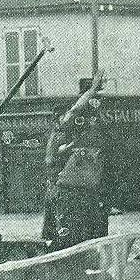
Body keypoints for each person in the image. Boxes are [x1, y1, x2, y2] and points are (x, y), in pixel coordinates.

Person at [42, 70, 104, 245]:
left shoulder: (65, 133)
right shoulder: (60, 132)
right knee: (65, 235)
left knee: (67, 234)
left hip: (64, 190)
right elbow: (51, 159)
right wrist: (91, 90)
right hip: (62, 190)